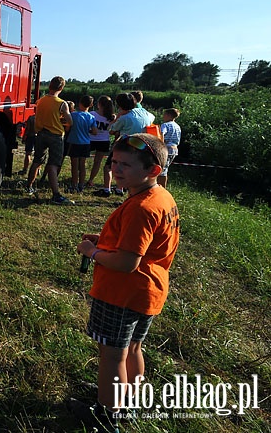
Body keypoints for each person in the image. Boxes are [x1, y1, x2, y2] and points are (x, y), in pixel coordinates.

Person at [70, 134, 180, 432]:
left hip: (123, 292)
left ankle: (107, 415)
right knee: (133, 348)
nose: (116, 170)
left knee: (112, 355)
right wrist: (106, 242)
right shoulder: (162, 197)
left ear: (153, 170)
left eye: (126, 165)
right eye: (114, 162)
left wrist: (93, 252)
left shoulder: (141, 208)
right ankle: (128, 400)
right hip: (149, 292)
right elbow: (141, 247)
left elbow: (127, 262)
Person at [25, 76, 74, 205]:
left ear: (50, 85)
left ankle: (29, 186)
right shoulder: (61, 103)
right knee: (53, 164)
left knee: (37, 161)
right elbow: (70, 122)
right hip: (56, 136)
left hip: (41, 134)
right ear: (61, 88)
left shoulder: (40, 101)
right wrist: (63, 120)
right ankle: (56, 194)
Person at [68, 95, 97, 192]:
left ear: (79, 103)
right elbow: (95, 132)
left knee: (74, 165)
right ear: (91, 105)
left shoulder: (73, 115)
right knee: (82, 165)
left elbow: (68, 127)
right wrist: (87, 130)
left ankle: (74, 185)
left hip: (75, 142)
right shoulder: (91, 117)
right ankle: (81, 185)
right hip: (86, 143)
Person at [87, 96, 115, 196]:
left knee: (81, 159)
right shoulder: (112, 117)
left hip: (90, 139)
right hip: (104, 141)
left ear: (99, 104)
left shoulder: (92, 114)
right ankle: (90, 179)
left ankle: (80, 177)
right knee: (97, 162)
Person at [158, 108, 182, 187]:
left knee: (162, 171)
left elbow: (162, 134)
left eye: (164, 115)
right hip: (174, 149)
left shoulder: (165, 125)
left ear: (168, 115)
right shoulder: (177, 126)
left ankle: (161, 188)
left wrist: (159, 145)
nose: (163, 117)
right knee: (165, 168)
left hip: (166, 148)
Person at [20, 110, 38, 176]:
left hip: (31, 136)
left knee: (28, 153)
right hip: (39, 137)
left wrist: (24, 137)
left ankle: (25, 169)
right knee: (38, 154)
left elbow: (27, 129)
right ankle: (38, 170)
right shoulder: (42, 118)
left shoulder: (31, 118)